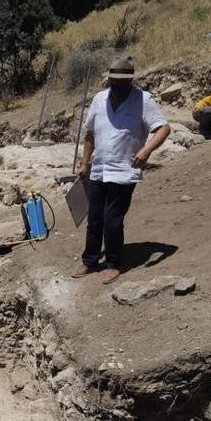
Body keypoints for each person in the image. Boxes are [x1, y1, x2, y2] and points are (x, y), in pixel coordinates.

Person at [73, 56, 171, 285]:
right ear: (109, 80)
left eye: (122, 83)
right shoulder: (99, 99)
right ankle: (90, 260)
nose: (117, 87)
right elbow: (90, 135)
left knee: (113, 219)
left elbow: (163, 128)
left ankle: (114, 263)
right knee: (95, 218)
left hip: (124, 170)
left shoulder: (143, 100)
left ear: (130, 82)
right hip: (99, 169)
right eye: (113, 82)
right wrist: (84, 163)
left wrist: (146, 150)